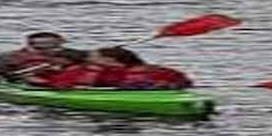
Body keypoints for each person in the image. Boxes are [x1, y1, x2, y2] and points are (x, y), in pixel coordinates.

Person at [0, 32, 87, 85]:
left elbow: (93, 59)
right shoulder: (11, 57)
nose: (52, 48)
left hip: (65, 84)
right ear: (31, 45)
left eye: (55, 44)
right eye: (45, 45)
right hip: (27, 83)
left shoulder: (71, 54)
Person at [61, 46, 194, 90]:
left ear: (110, 60)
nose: (88, 59)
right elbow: (185, 81)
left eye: (93, 57)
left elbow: (63, 84)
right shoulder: (156, 69)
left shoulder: (102, 72)